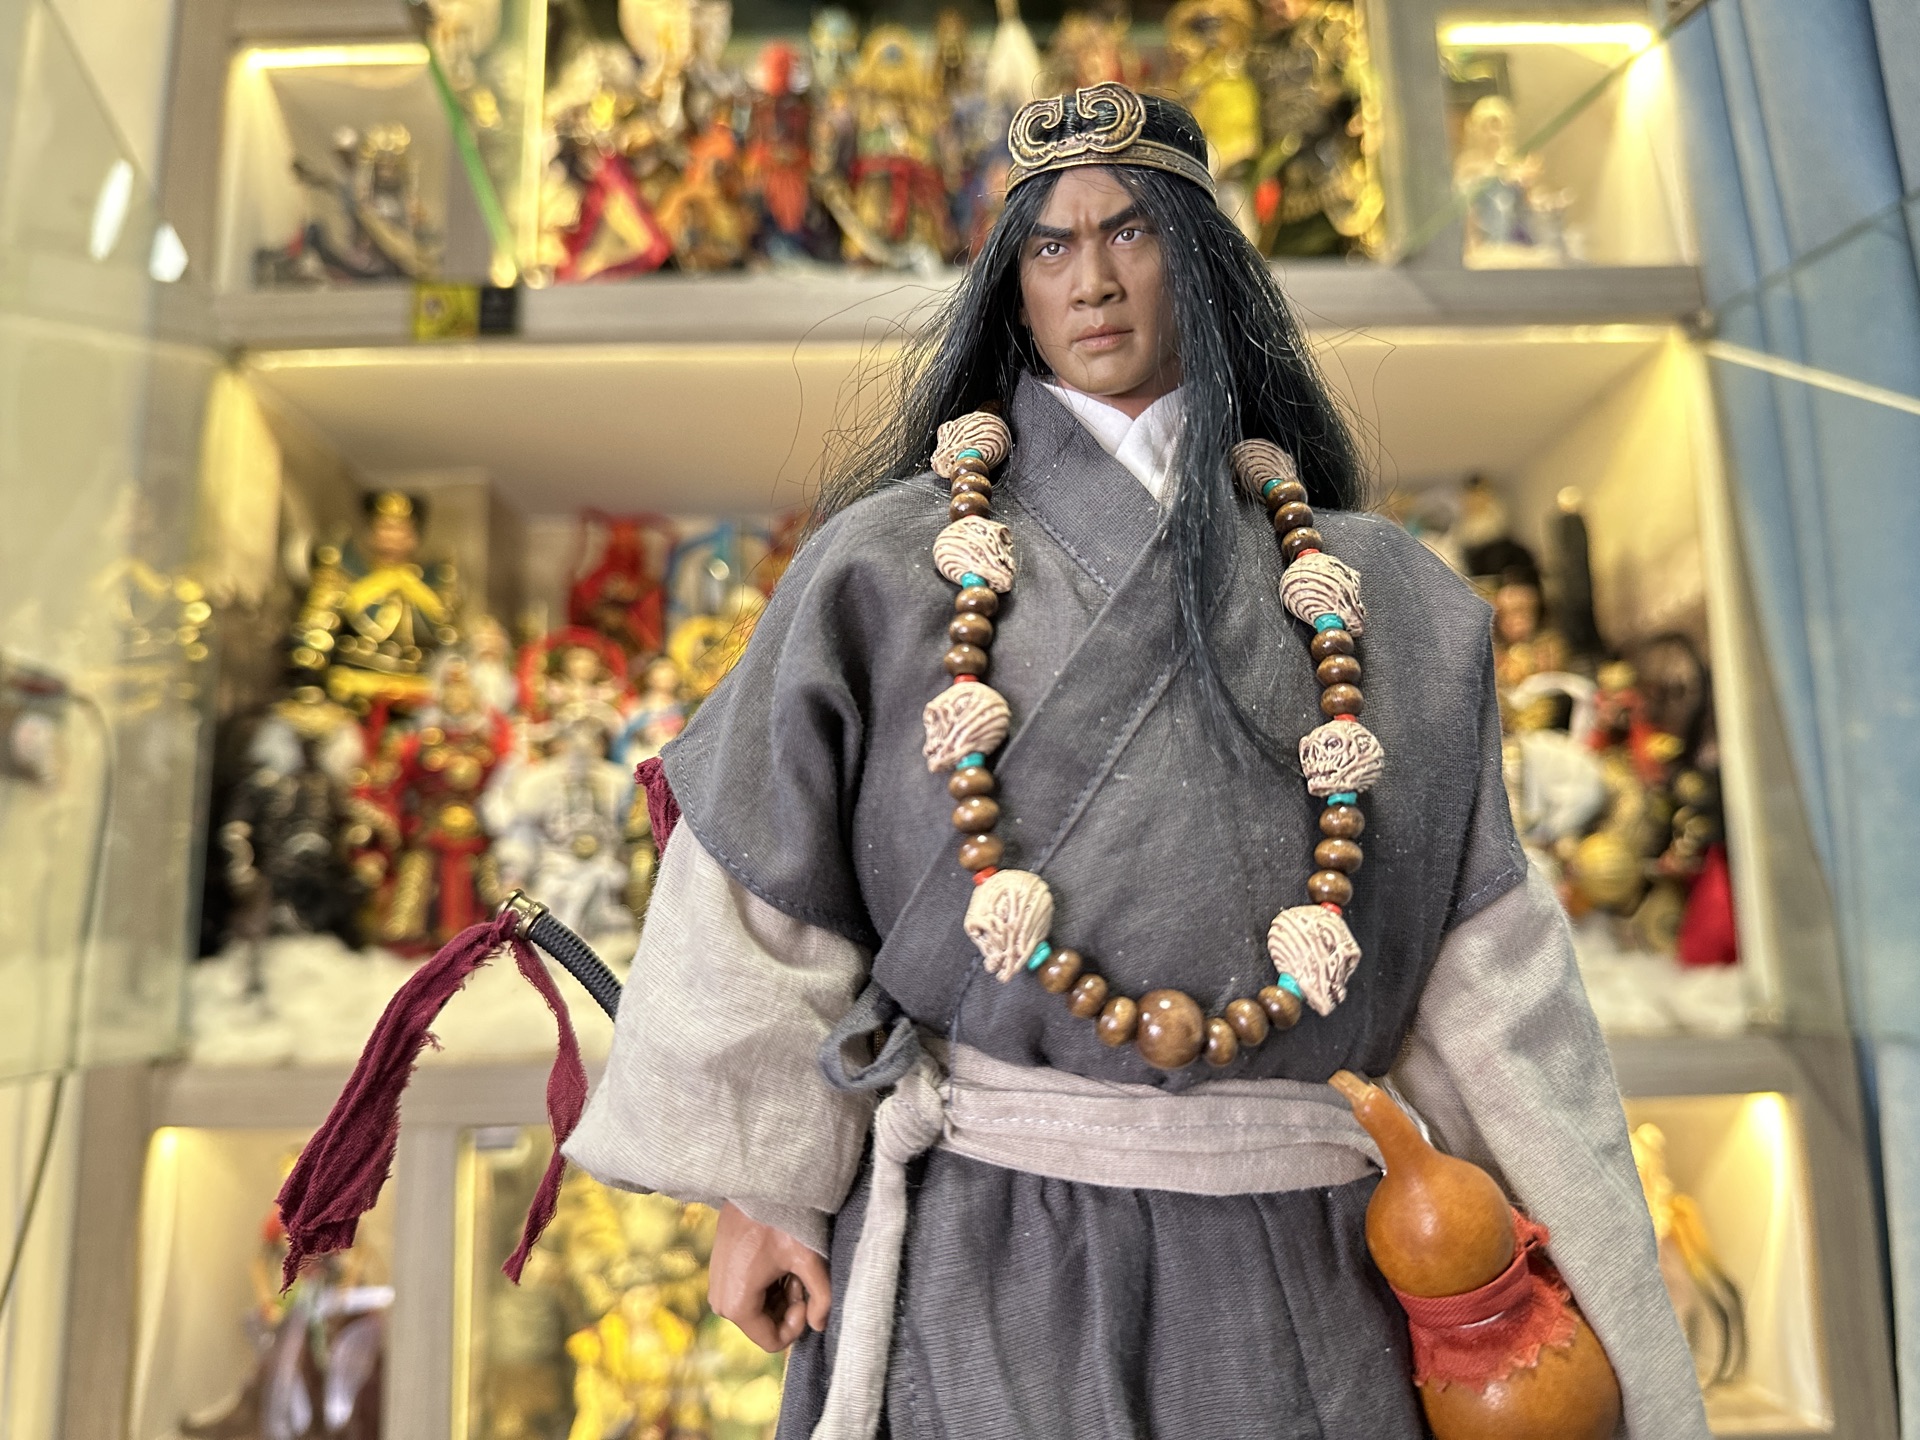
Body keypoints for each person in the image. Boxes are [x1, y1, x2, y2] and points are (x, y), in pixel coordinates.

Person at [566, 84, 1707, 1438]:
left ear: (1201, 261)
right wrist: (763, 1190)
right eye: (1050, 245)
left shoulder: (1389, 601)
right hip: (978, 1253)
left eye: (1130, 232)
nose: (1091, 279)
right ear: (1012, 284)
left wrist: (1598, 1298)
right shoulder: (882, 568)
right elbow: (767, 900)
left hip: (1307, 1268)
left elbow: (1493, 990)